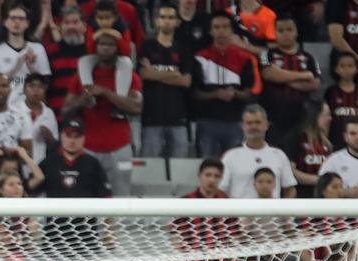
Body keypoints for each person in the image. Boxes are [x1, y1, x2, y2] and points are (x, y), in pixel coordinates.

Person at [63, 30, 142, 196]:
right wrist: (81, 101)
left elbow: (136, 107)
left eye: (110, 44)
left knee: (122, 194)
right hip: (88, 146)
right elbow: (64, 111)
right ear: (95, 47)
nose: (106, 48)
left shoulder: (131, 77)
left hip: (120, 146)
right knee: (85, 193)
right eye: (102, 44)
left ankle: (123, 223)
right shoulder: (81, 78)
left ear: (118, 48)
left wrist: (106, 93)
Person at [190, 12, 261, 158]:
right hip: (206, 121)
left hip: (235, 122)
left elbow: (250, 93)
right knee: (207, 167)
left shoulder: (245, 57)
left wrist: (235, 93)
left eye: (225, 27)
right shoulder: (199, 57)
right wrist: (215, 94)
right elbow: (193, 92)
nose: (221, 31)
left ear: (232, 30)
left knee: (234, 168)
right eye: (216, 27)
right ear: (210, 31)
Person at [138, 2, 193, 159]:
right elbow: (143, 74)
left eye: (171, 17)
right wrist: (173, 73)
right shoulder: (146, 46)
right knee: (150, 170)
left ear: (177, 22)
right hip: (151, 118)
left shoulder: (183, 49)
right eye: (163, 17)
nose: (167, 21)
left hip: (178, 118)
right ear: (156, 21)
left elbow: (186, 81)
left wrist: (154, 72)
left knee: (180, 171)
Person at [258, 15, 321, 146]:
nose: (285, 34)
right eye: (280, 30)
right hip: (273, 116)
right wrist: (304, 75)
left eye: (289, 29)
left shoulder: (308, 57)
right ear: (274, 32)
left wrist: (281, 76)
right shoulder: (267, 54)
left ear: (296, 31)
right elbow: (268, 74)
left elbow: (315, 84)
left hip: (301, 117)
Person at [218, 105, 297, 198]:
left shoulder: (279, 155)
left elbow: (290, 189)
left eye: (258, 122)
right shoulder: (230, 156)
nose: (253, 126)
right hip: (240, 211)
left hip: (272, 211)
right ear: (243, 126)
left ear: (266, 125)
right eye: (249, 123)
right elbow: (220, 190)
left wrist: (284, 211)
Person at [0, 4, 50, 110]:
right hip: (6, 107)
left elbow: (45, 84)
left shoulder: (38, 49)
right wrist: (16, 67)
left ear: (27, 23)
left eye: (21, 18)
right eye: (13, 18)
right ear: (5, 22)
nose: (17, 22)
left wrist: (31, 67)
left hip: (32, 107)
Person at [32, 117, 111, 199]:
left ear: (84, 138)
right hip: (56, 211)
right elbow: (29, 191)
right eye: (68, 135)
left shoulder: (94, 164)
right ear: (61, 136)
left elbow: (107, 196)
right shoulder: (48, 163)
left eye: (77, 136)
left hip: (85, 211)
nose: (72, 141)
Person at [43, 5, 88, 119]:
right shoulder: (49, 52)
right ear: (60, 27)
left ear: (84, 26)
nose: (71, 26)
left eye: (75, 22)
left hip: (88, 119)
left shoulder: (92, 52)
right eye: (66, 23)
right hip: (57, 117)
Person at [287, 101, 333, 197]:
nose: (330, 118)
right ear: (314, 116)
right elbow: (291, 171)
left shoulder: (328, 143)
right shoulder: (296, 138)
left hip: (324, 197)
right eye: (326, 115)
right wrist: (319, 180)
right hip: (302, 196)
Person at [323, 51, 358, 148]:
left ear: (357, 69)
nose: (346, 69)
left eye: (350, 66)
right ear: (336, 69)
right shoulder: (331, 92)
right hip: (335, 139)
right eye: (342, 66)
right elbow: (326, 118)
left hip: (357, 139)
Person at [22, 72, 57, 164]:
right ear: (24, 90)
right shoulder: (14, 111)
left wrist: (49, 136)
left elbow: (54, 145)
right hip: (18, 165)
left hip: (40, 164)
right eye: (31, 86)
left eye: (40, 87)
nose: (36, 90)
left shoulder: (49, 113)